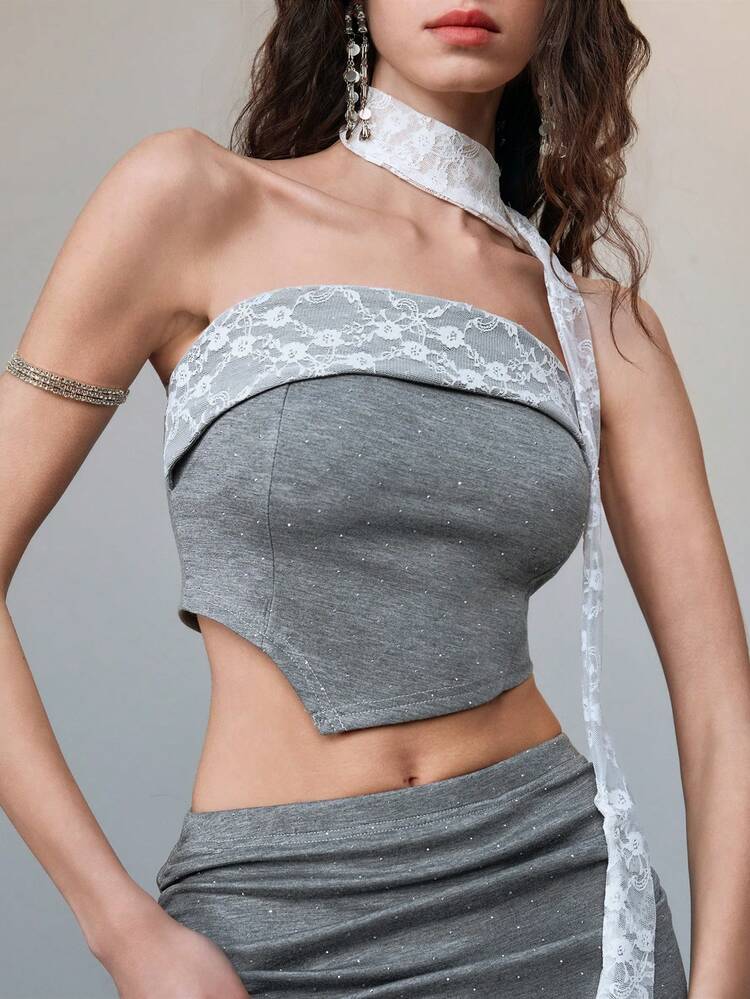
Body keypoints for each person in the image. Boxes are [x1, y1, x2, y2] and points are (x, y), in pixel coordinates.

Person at [2, 1, 748, 997]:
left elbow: (720, 707)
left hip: (561, 907)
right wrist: (121, 928)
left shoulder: (604, 328)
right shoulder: (189, 200)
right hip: (276, 916)